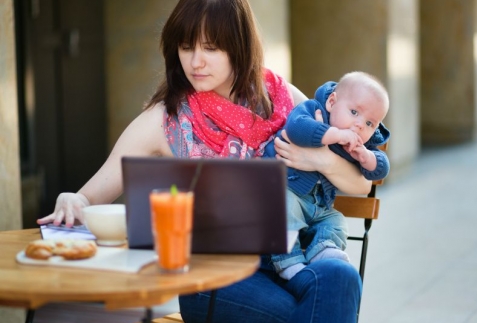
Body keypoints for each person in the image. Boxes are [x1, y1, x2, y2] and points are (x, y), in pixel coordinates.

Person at [37, 0, 372, 322]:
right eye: (186, 47)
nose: (196, 62)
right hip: (214, 278)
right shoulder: (164, 119)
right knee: (314, 309)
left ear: (239, 47)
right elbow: (91, 195)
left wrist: (316, 159)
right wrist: (72, 198)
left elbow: (361, 182)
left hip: (296, 256)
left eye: (211, 48)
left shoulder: (284, 100)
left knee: (340, 277)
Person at [264, 71, 391, 280]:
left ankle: (323, 250)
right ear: (332, 102)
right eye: (354, 112)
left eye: (370, 123)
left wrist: (366, 156)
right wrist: (335, 135)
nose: (360, 125)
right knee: (282, 208)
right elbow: (296, 128)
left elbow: (381, 167)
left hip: (320, 207)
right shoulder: (314, 109)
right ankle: (287, 261)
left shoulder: (362, 143)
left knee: (337, 221)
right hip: (287, 190)